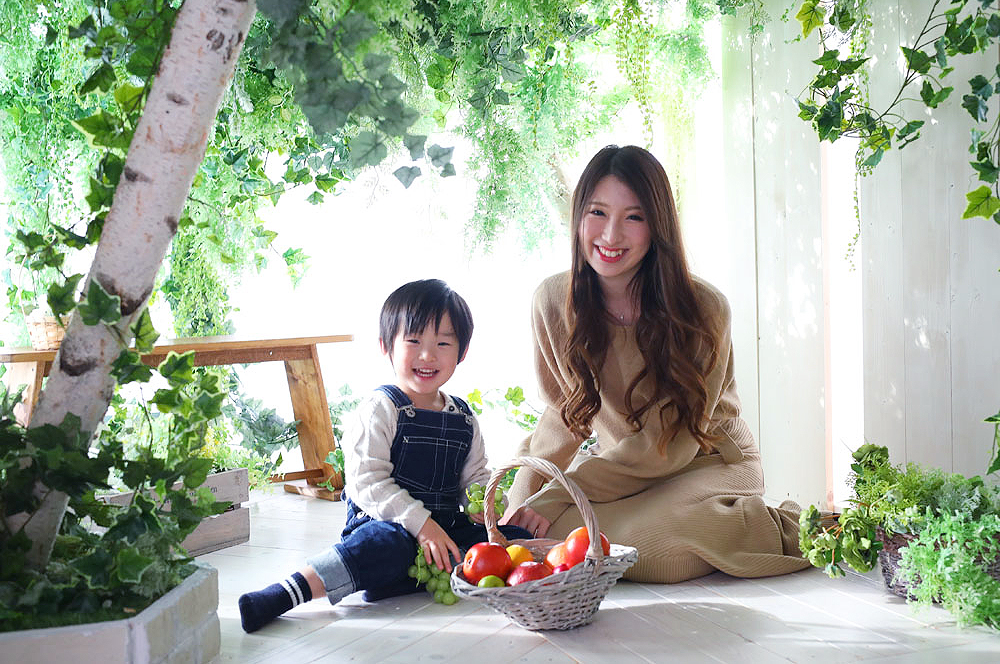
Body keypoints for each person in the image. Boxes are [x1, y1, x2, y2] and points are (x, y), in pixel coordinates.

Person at [500, 145, 811, 583]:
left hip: (708, 460)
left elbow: (670, 443)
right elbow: (562, 415)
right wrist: (523, 504)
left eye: (634, 217)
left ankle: (783, 526)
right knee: (556, 536)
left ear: (657, 227)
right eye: (597, 212)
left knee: (656, 551)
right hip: (625, 469)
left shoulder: (704, 310)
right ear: (578, 217)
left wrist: (562, 493)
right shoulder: (553, 301)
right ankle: (670, 523)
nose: (611, 235)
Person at [238, 279, 531, 632]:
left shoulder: (464, 418)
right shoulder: (381, 408)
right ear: (386, 345)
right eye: (414, 341)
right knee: (385, 546)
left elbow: (476, 477)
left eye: (442, 343)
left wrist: (484, 506)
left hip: (443, 531)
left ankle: (401, 579)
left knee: (515, 539)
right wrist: (421, 525)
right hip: (386, 525)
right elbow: (366, 482)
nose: (428, 355)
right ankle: (287, 593)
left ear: (462, 352)